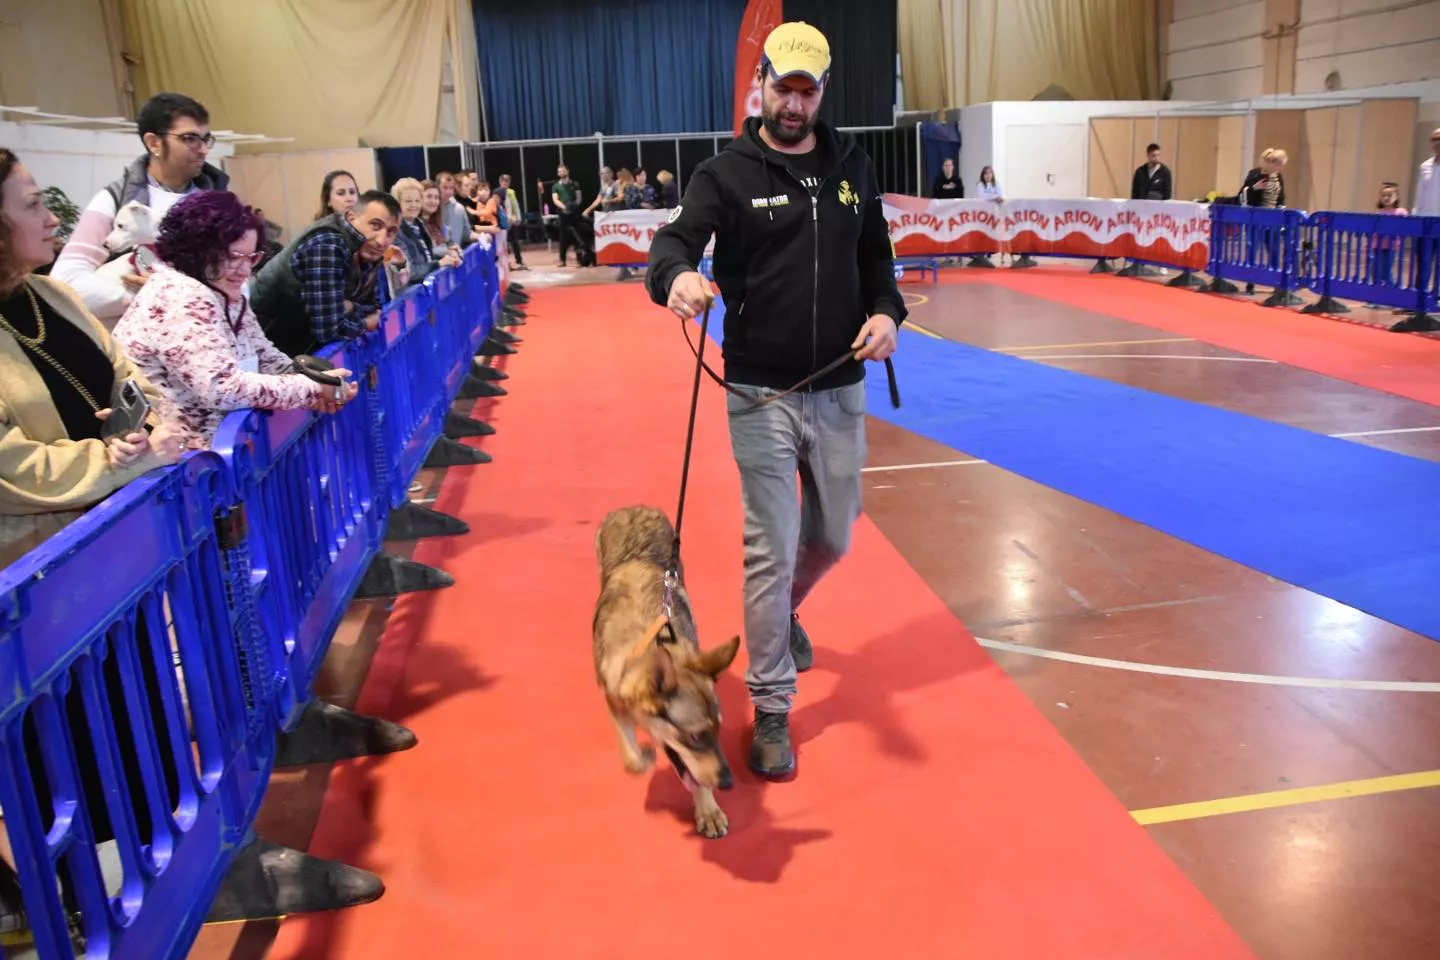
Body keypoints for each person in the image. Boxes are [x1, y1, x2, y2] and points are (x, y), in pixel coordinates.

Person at [645, 21, 905, 781]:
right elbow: (671, 246)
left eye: (807, 91)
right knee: (771, 544)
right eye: (782, 88)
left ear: (824, 91)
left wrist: (888, 313)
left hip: (843, 386)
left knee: (833, 535)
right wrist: (678, 279)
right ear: (760, 84)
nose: (793, 104)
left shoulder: (853, 165)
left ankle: (784, 610)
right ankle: (771, 707)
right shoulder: (723, 174)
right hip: (759, 392)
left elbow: (878, 260)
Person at [112, 190, 360, 451]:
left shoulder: (224, 292)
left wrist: (315, 388)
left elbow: (265, 356)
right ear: (198, 249)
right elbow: (221, 387)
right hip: (180, 459)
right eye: (233, 257)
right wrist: (310, 388)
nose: (244, 270)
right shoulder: (178, 293)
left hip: (206, 455)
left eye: (251, 257)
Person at [52, 92, 228, 326]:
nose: (203, 149)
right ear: (154, 143)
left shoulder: (221, 203)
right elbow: (65, 281)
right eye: (190, 138)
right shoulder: (115, 200)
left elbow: (239, 277)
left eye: (206, 139)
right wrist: (146, 298)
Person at [248, 190, 401, 357]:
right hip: (265, 353)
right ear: (351, 217)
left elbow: (374, 305)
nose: (381, 240)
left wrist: (350, 307)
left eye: (391, 232)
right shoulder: (327, 244)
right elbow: (329, 330)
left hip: (295, 349)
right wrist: (365, 324)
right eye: (375, 225)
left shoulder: (366, 247)